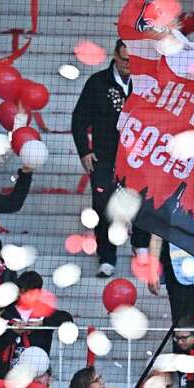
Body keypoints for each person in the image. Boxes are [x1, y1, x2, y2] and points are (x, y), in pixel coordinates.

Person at [71, 41, 150, 276]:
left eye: (132, 60)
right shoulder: (97, 83)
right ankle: (107, 256)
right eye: (124, 59)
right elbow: (79, 119)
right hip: (105, 158)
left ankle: (141, 246)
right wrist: (85, 150)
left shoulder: (147, 83)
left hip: (139, 158)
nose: (128, 65)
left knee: (143, 203)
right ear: (115, 56)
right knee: (103, 205)